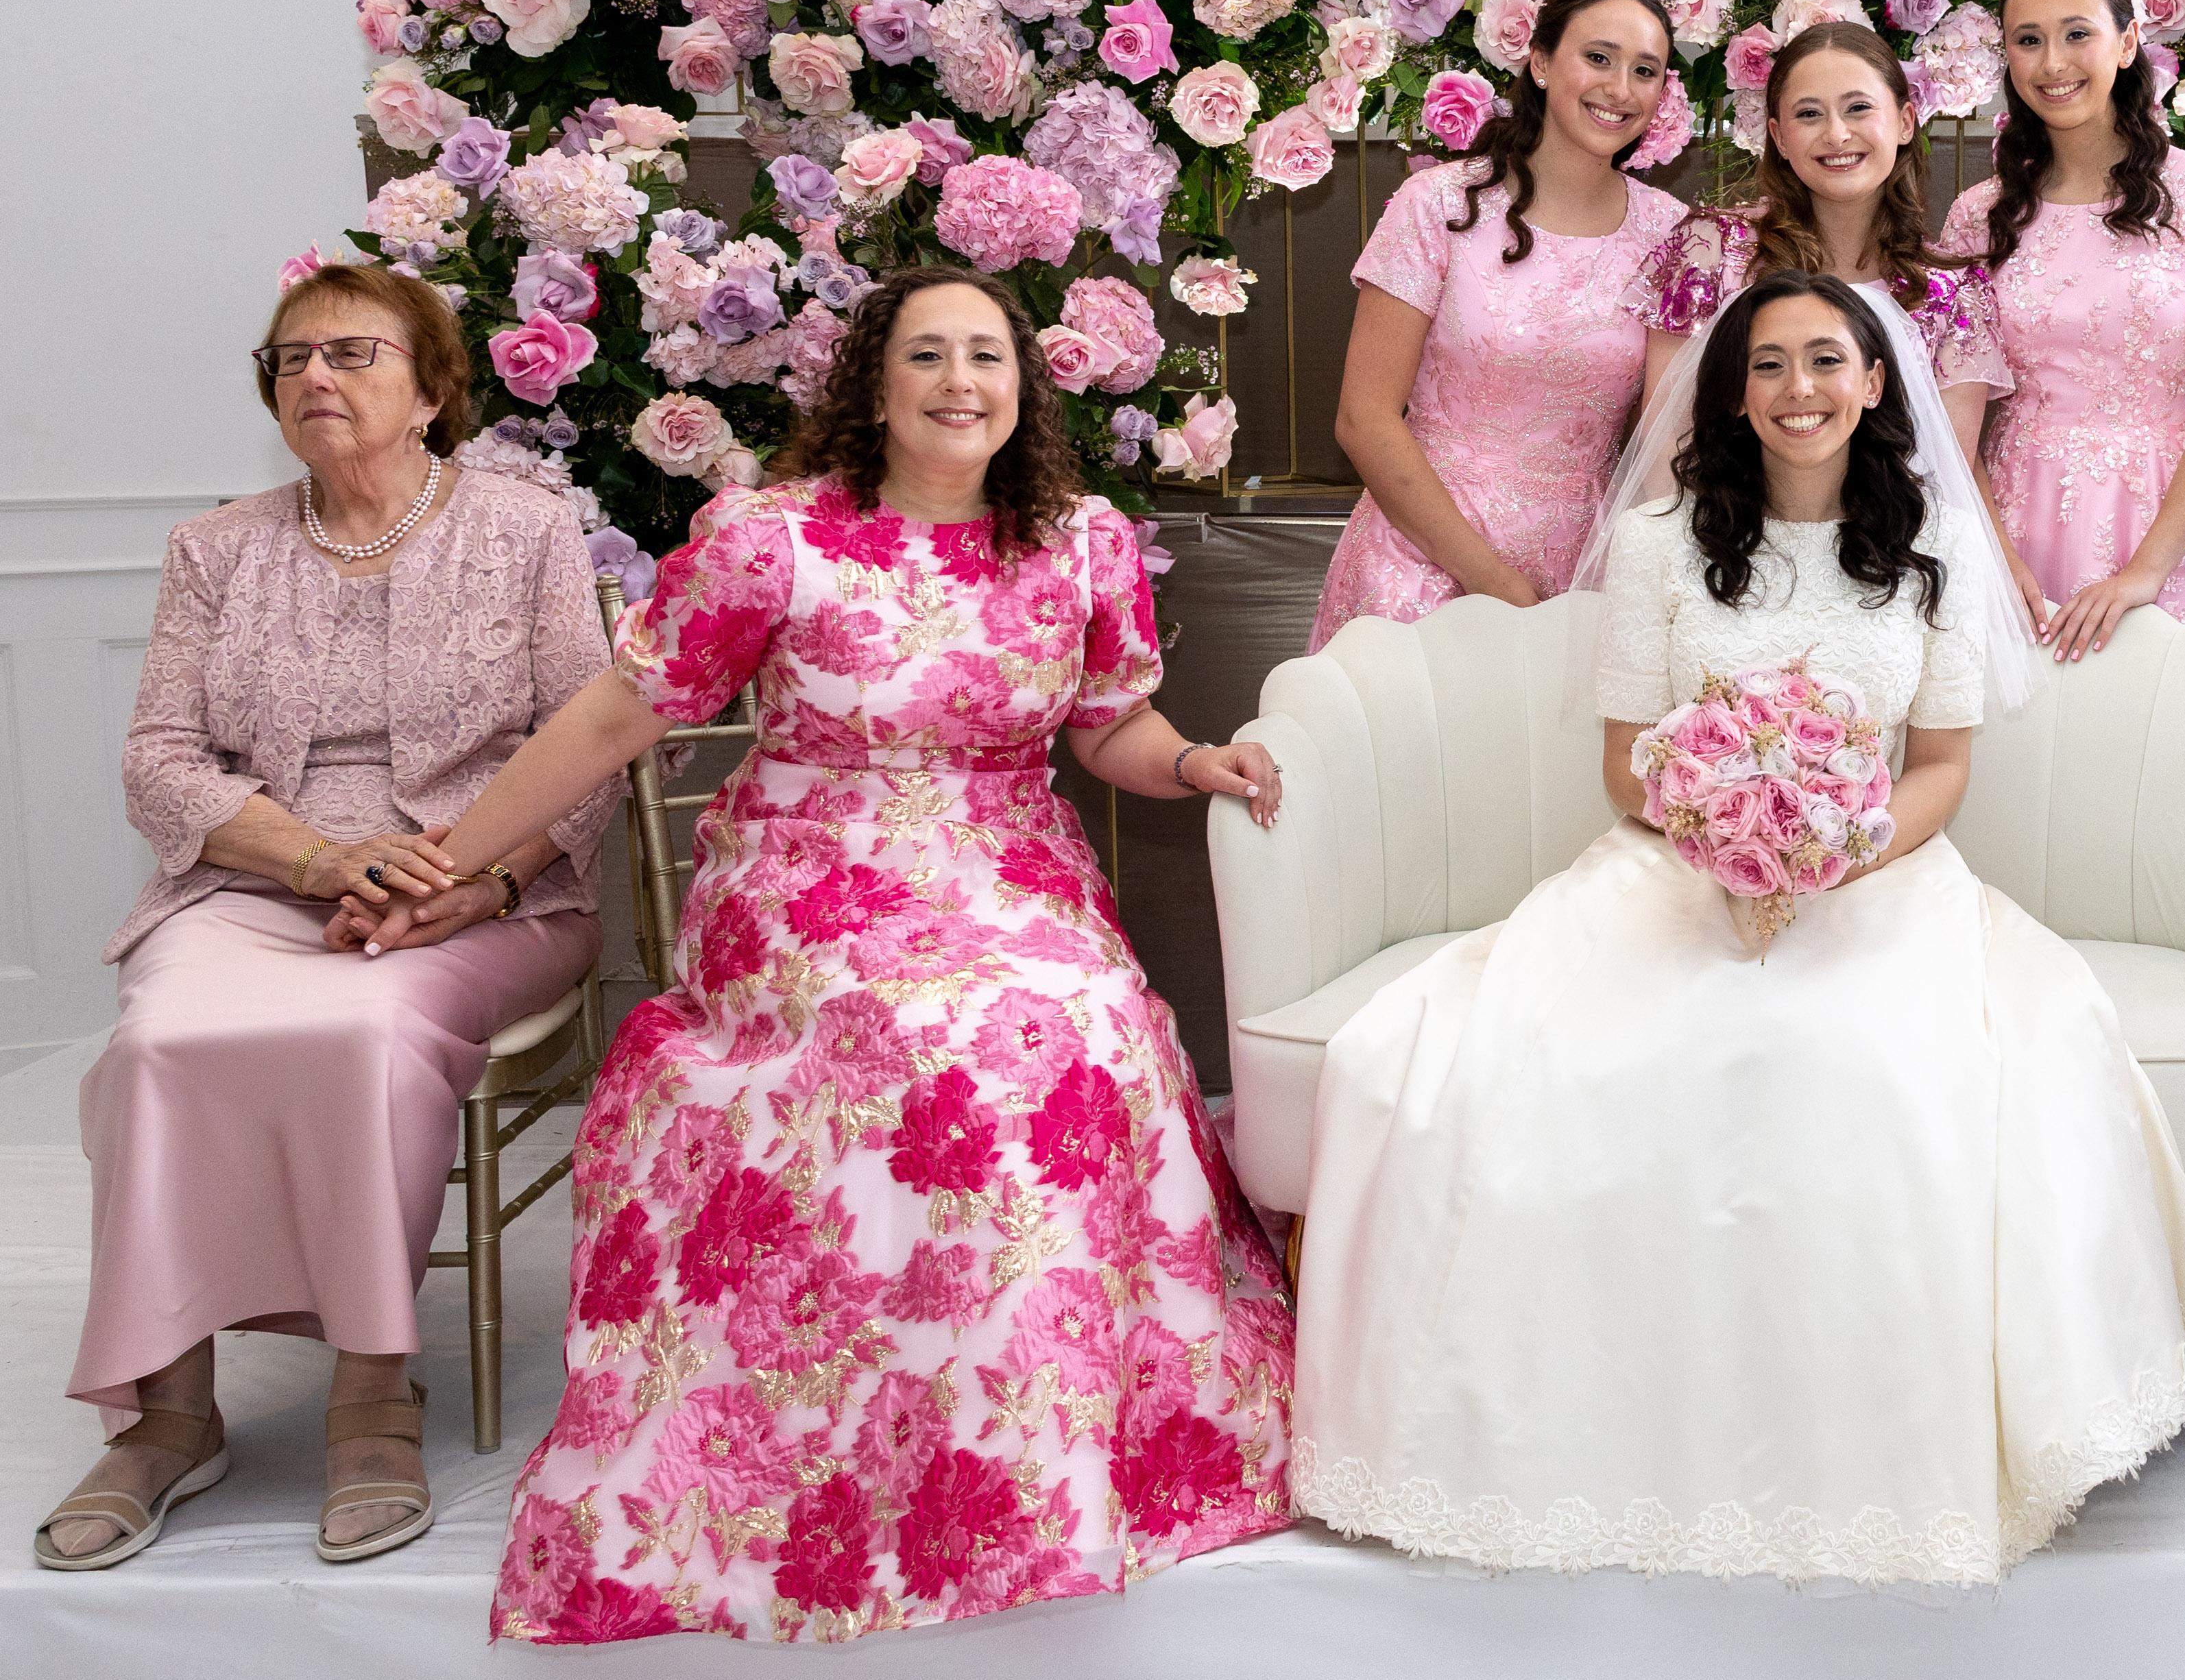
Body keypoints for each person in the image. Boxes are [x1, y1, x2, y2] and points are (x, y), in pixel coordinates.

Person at [1291, 273, 2185, 1585]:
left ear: (1875, 381)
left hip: (1877, 870)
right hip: (1675, 859)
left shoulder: (1934, 549)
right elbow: (1623, 755)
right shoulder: (1663, 541)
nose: (1799, 388)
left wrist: (1834, 844)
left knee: (1881, 1067)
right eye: (1769, 363)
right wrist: (1720, 824)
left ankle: (1869, 1442)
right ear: (1731, 391)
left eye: (1826, 359)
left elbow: (1941, 767)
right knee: (1554, 1059)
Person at [433, 266, 1295, 1642]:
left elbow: (1106, 727)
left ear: (1023, 388)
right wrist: (456, 857)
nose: (960, 382)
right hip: (808, 862)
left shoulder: (1079, 542)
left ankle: (1033, 1438)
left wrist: (1194, 760)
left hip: (1005, 860)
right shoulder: (773, 538)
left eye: (987, 357)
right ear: (875, 386)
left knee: (1082, 1022)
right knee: (905, 1035)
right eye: (927, 355)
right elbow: (617, 715)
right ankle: (856, 1433)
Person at [37, 263, 614, 1571]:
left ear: (433, 388)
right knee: (158, 1041)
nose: (314, 375)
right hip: (256, 882)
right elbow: (159, 760)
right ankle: (167, 1413)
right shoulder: (217, 547)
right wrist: (315, 859)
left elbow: (587, 747)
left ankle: (371, 1394)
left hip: (486, 891)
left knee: (364, 1033)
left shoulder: (526, 530)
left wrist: (480, 877)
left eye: (352, 352)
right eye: (290, 359)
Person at [1589, 19, 2038, 707]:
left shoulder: (1951, 293)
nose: (1836, 135)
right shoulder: (1712, 251)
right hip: (1724, 570)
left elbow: (1942, 475)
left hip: (1878, 584)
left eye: (1858, 108)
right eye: (1808, 114)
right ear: (1776, 134)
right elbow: (1665, 448)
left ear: (1905, 120)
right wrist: (1701, 578)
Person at [1311, 0, 1688, 647]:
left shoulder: (1670, 232)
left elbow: (1666, 436)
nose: (1619, 89)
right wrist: (1490, 580)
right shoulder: (1438, 205)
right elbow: (1363, 419)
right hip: (1420, 565)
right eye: (1598, 58)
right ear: (1541, 63)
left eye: (1645, 71)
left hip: (1582, 579)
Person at [1937, 0, 2185, 662]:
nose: (2052, 63)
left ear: (2127, 42)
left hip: (2167, 530)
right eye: (2028, 41)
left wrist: (2143, 574)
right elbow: (1951, 424)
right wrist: (1994, 557)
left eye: (2077, 34)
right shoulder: (1976, 217)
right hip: (2014, 530)